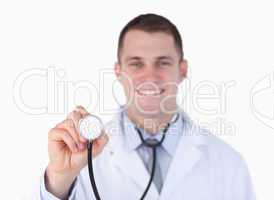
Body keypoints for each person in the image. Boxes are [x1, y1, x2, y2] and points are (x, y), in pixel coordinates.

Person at [40, 13, 255, 200]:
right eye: (136, 63)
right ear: (118, 71)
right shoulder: (81, 161)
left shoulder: (228, 163)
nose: (150, 76)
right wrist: (59, 180)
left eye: (163, 62)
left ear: (182, 70)